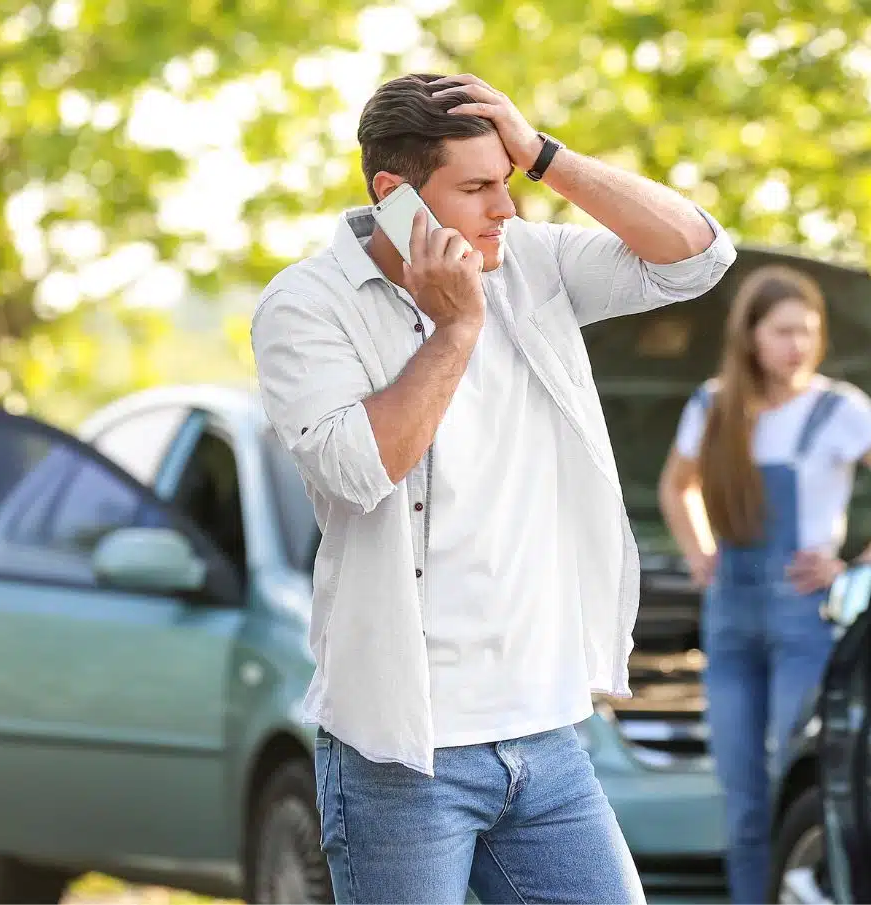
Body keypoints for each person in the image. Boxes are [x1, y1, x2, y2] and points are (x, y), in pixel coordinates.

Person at [251, 72, 736, 904]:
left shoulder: (532, 263)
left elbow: (697, 257)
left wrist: (546, 156)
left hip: (546, 737)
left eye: (506, 181)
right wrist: (457, 327)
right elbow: (359, 467)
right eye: (477, 188)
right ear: (394, 196)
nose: (503, 209)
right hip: (403, 752)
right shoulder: (305, 305)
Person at [657, 264, 871, 904]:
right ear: (750, 337)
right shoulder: (713, 405)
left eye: (808, 331)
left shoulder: (838, 409)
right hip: (730, 620)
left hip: (806, 623)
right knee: (742, 796)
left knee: (790, 784)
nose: (797, 345)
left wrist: (858, 564)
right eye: (783, 331)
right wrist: (700, 554)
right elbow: (675, 485)